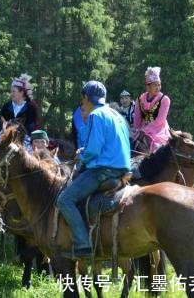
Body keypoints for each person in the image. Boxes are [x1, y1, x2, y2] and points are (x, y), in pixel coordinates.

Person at [57, 81, 131, 258]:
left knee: (64, 200)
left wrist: (81, 157)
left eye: (82, 99)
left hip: (102, 170)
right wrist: (87, 151)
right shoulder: (117, 114)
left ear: (85, 97)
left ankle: (82, 244)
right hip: (122, 169)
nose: (82, 103)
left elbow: (93, 151)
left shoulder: (95, 115)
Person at [133, 66, 171, 152]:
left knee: (158, 151)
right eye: (155, 85)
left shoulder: (165, 99)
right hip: (142, 130)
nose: (158, 87)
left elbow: (160, 120)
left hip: (159, 132)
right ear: (148, 87)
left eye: (159, 85)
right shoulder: (139, 99)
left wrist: (144, 131)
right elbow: (137, 119)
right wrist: (137, 131)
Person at [0, 73, 40, 137]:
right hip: (5, 134)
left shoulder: (30, 108)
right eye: (11, 91)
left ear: (21, 93)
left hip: (24, 137)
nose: (11, 94)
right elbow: (0, 122)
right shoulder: (6, 106)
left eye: (13, 91)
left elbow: (30, 126)